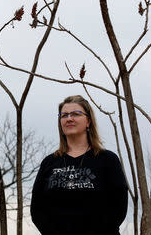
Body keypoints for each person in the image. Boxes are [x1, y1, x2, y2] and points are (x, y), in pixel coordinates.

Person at [30, 95, 128, 235]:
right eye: (64, 115)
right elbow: (37, 210)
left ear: (88, 121)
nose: (69, 118)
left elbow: (118, 208)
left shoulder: (108, 160)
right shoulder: (49, 162)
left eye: (76, 114)